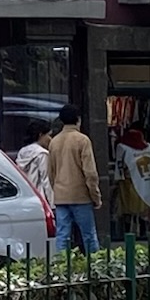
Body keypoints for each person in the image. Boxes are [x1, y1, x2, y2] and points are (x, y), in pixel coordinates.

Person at [47, 103, 101, 254]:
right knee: (89, 235)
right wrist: (95, 196)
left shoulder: (54, 142)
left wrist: (57, 189)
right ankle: (94, 264)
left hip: (61, 197)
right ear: (78, 119)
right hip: (80, 196)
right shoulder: (82, 140)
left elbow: (50, 173)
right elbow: (90, 173)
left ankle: (62, 265)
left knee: (62, 236)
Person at [16, 121, 54, 210]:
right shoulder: (42, 154)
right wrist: (52, 205)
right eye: (49, 135)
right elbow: (46, 180)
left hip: (25, 198)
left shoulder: (22, 152)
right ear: (41, 135)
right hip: (40, 199)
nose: (50, 139)